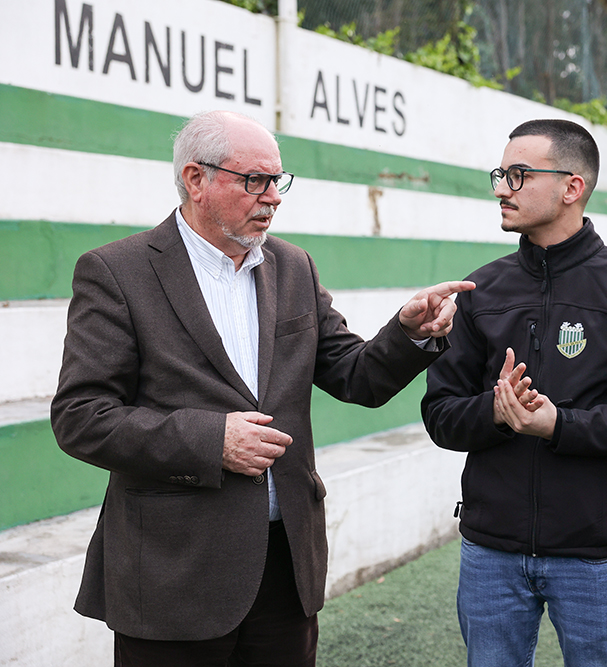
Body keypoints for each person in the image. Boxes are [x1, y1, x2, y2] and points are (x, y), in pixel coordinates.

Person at [50, 109, 474, 667]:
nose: (272, 196)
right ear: (196, 180)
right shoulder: (116, 272)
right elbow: (81, 416)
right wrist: (211, 440)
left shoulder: (293, 266)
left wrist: (408, 333)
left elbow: (355, 375)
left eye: (278, 180)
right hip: (174, 570)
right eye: (255, 180)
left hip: (285, 566)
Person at [421, 118, 607, 667]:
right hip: (490, 549)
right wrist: (498, 414)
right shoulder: (481, 289)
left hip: (595, 553)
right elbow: (441, 415)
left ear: (572, 187)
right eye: (500, 174)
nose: (501, 188)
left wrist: (558, 425)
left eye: (518, 175)